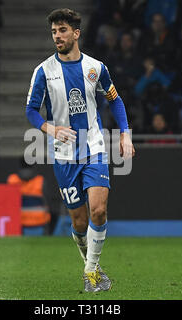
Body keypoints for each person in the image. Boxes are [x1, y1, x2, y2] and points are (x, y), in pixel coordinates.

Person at [25, 8, 135, 293]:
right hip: (63, 155)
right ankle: (94, 267)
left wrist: (125, 134)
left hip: (95, 148)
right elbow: (31, 110)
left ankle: (90, 272)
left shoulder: (96, 68)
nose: (57, 36)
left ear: (76, 33)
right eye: (53, 32)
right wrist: (50, 128)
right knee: (80, 221)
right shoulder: (44, 71)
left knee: (98, 211)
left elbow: (115, 100)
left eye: (62, 30)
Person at [7, 158, 51, 235]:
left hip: (18, 221)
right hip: (40, 220)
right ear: (33, 166)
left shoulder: (12, 180)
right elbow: (47, 203)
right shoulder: (40, 181)